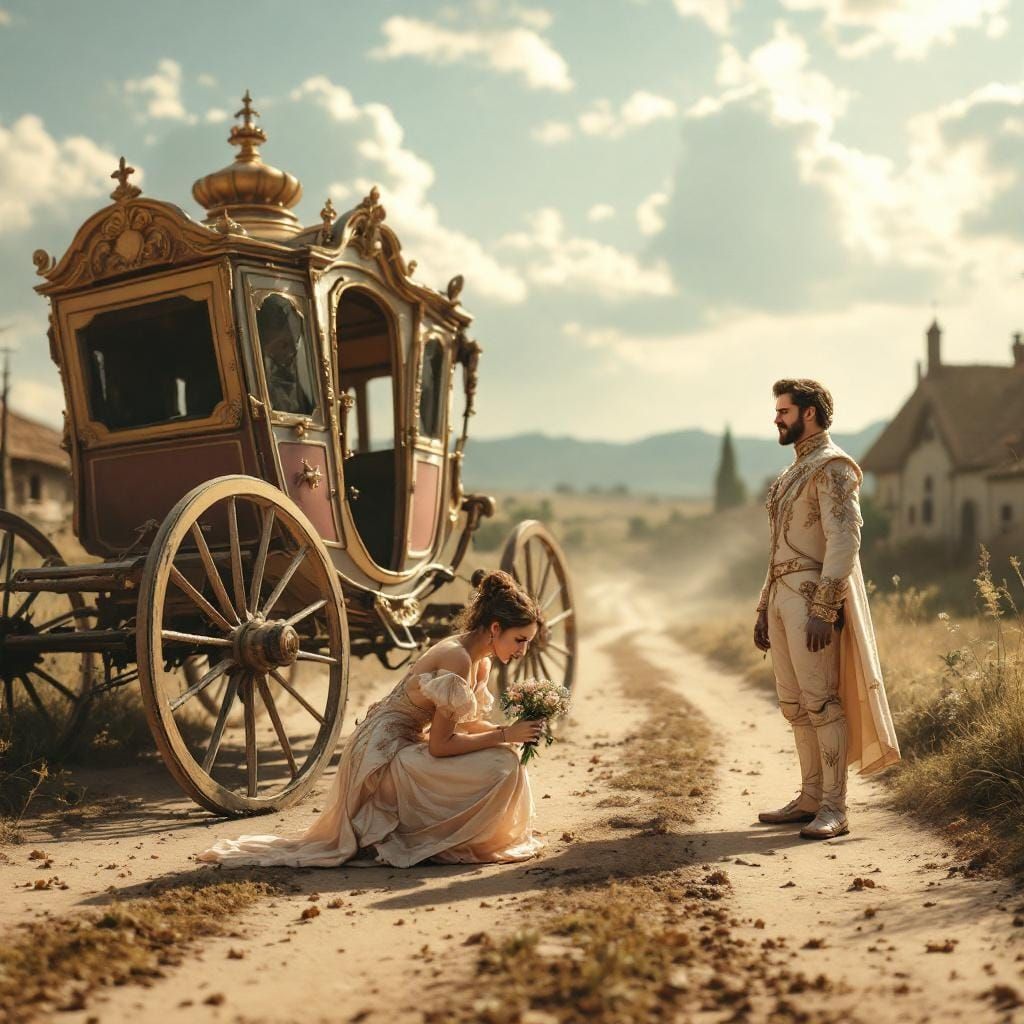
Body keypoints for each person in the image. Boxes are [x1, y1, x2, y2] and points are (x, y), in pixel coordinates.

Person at [197, 570, 546, 868]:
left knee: (505, 760)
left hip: (411, 744)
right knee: (499, 764)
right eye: (519, 640)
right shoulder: (457, 659)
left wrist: (513, 734)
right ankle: (426, 837)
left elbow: (462, 726)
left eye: (527, 642)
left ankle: (448, 836)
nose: (522, 651)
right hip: (382, 755)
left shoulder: (480, 661)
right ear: (495, 627)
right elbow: (441, 746)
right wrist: (503, 733)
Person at [753, 379, 900, 840]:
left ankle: (835, 808)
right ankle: (811, 797)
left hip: (811, 598)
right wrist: (763, 609)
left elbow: (844, 540)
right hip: (781, 596)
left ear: (809, 413)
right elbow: (777, 549)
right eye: (777, 411)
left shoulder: (832, 467)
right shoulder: (791, 472)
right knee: (794, 704)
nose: (777, 418)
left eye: (784, 411)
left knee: (821, 700)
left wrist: (824, 605)